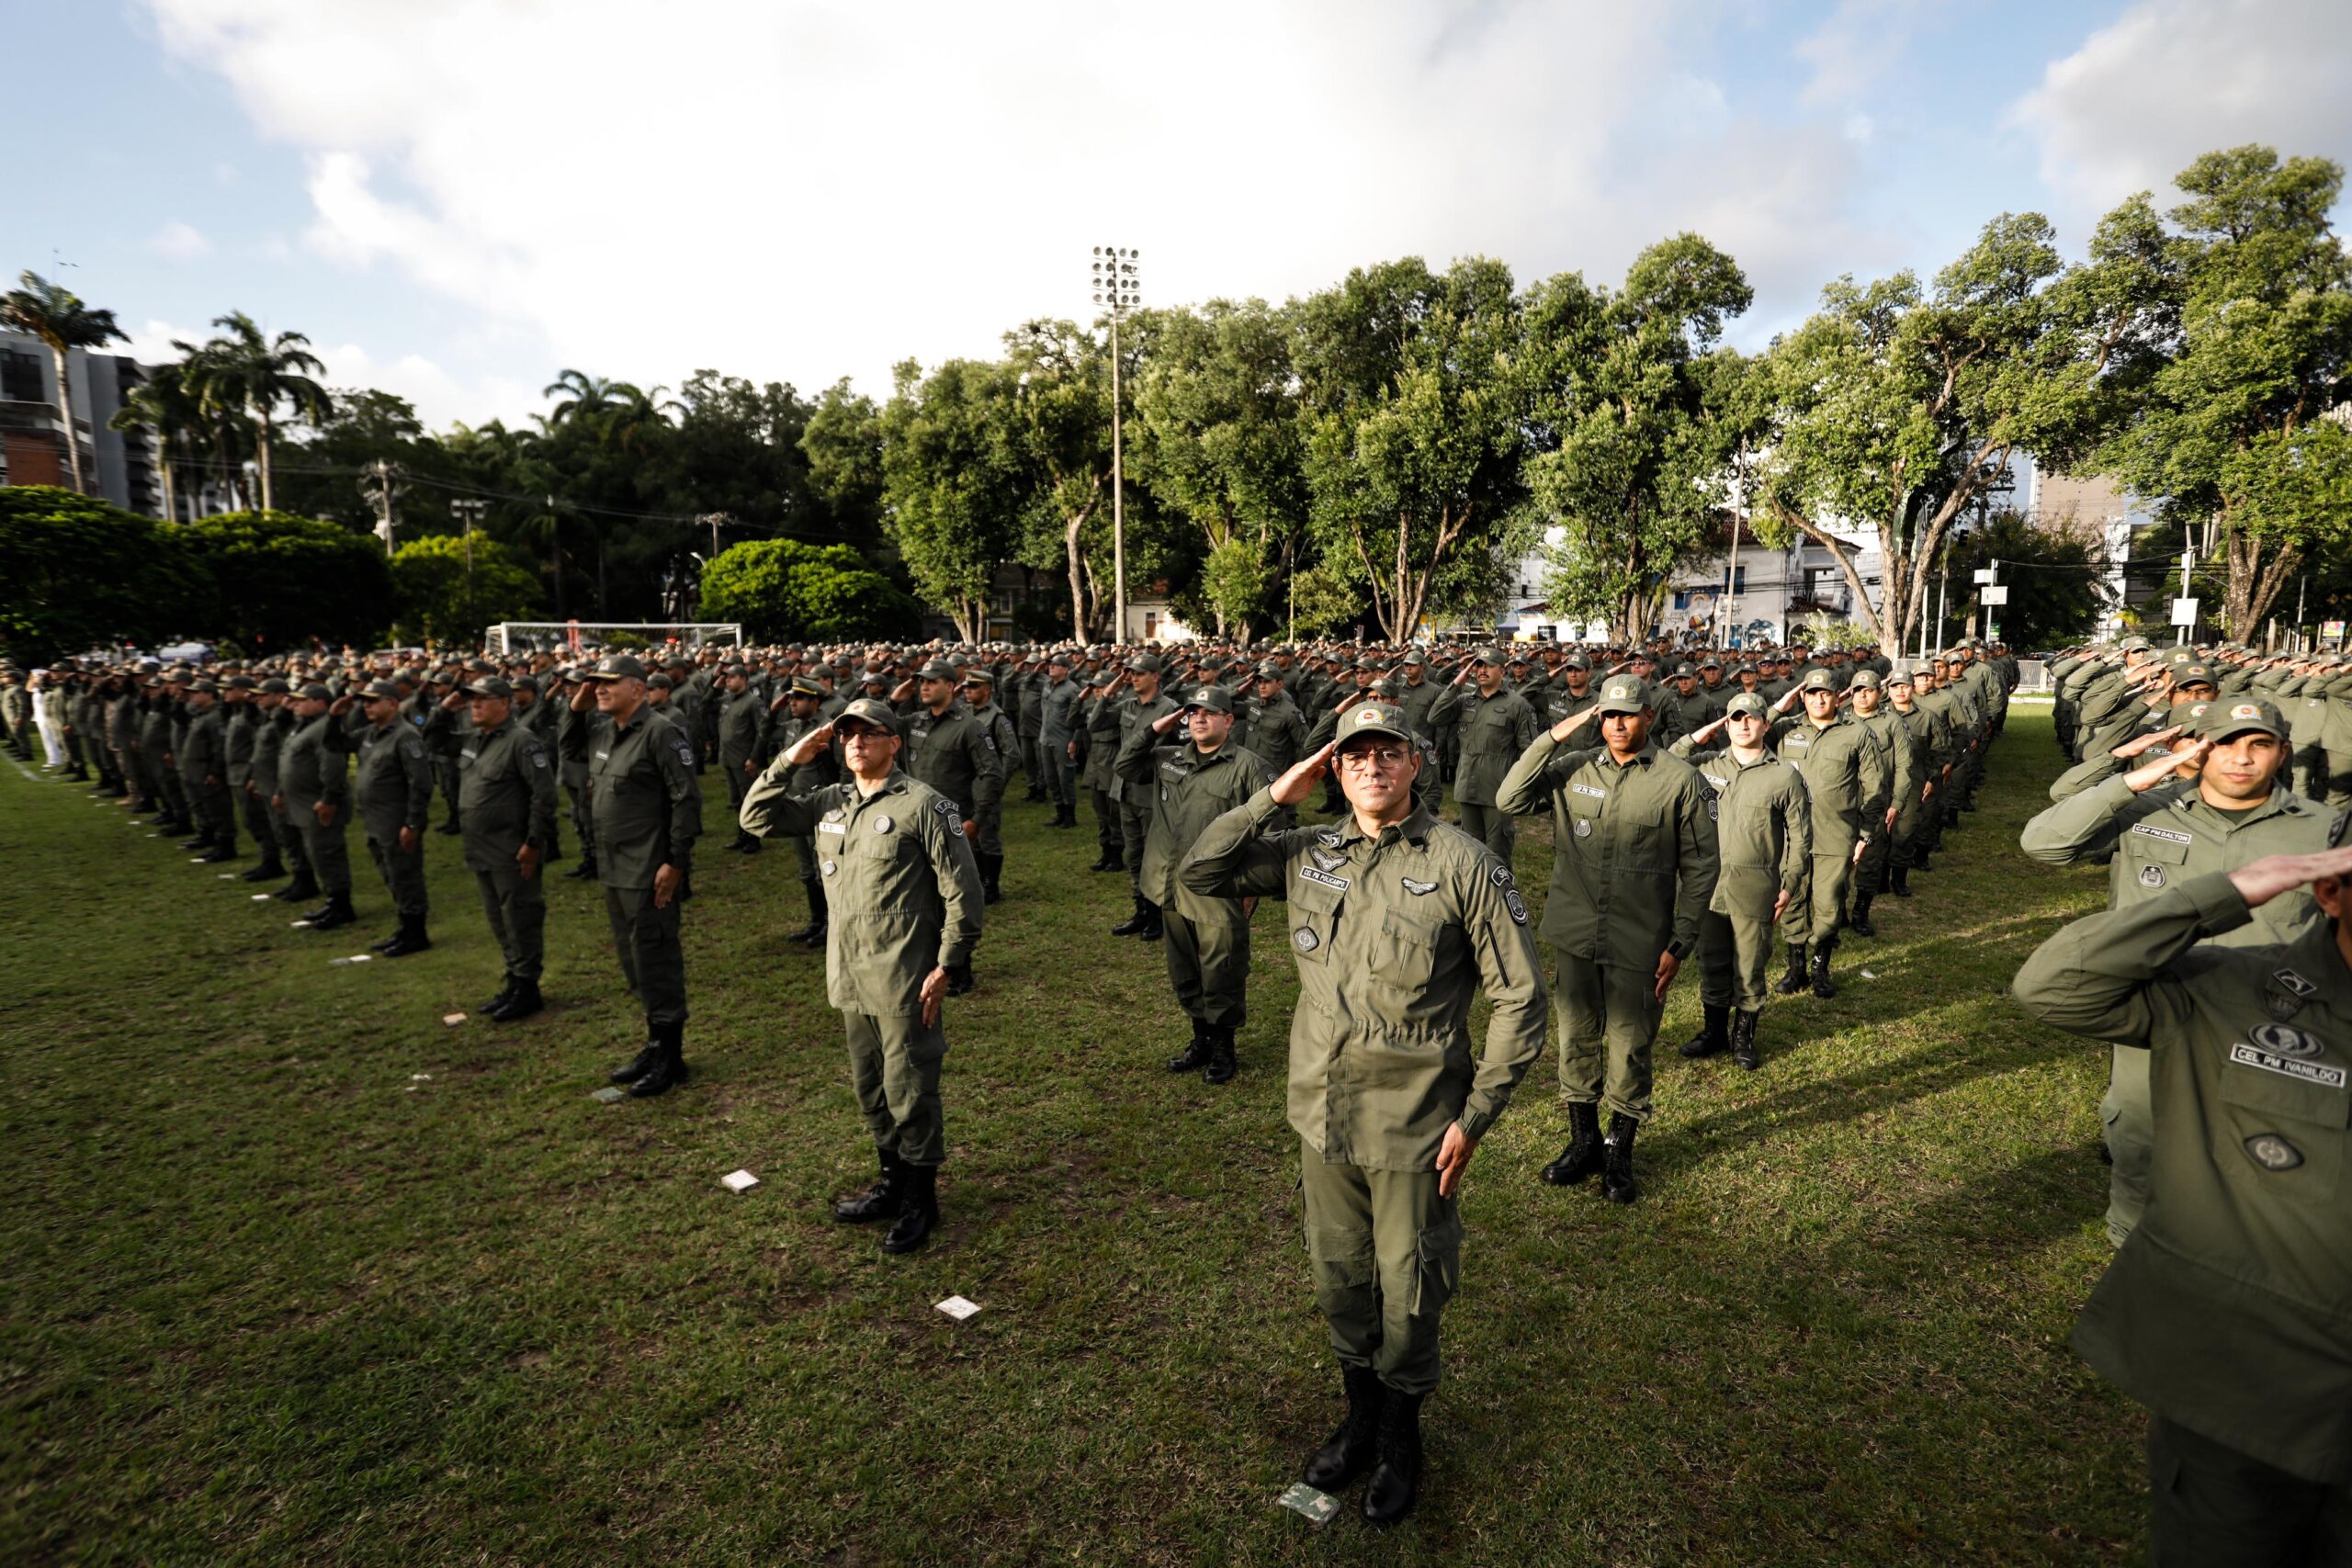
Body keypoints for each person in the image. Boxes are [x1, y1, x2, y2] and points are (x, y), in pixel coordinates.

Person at [1179, 699, 1545, 1525]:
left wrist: (1476, 1114)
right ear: (1333, 771)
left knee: (1410, 1285)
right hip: (1322, 1109)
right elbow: (1199, 871)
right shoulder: (1307, 853)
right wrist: (1279, 793)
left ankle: (1403, 1431)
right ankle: (1359, 1413)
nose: (1371, 766)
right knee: (1340, 1277)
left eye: (1387, 753)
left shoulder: (1464, 863)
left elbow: (1521, 999)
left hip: (1418, 1120)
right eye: (1353, 756)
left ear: (1416, 762)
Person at [2014, 847, 2352, 1567]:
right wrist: (2225, 891)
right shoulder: (2231, 992)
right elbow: (2055, 986)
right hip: (2244, 1386)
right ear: (2331, 890)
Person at [2020, 696, 2342, 1248]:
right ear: (2198, 750)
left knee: (2264, 1161)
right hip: (2159, 1007)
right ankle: (2134, 1253)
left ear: (2282, 753)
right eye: (2222, 744)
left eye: (2258, 744)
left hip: (2269, 1017)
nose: (2241, 759)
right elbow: (2044, 844)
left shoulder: (2325, 831)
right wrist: (2136, 780)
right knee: (2143, 1145)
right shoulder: (2152, 811)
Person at [741, 696, 983, 1255]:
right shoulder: (831, 801)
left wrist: (949, 962)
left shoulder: (926, 805)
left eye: (870, 734)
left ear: (894, 744)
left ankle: (922, 1197)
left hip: (904, 973)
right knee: (870, 1087)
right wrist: (793, 758)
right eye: (847, 734)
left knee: (910, 1087)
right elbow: (754, 819)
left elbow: (961, 890)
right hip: (849, 972)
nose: (856, 743)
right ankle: (892, 1184)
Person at [1497, 674, 1718, 1201]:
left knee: (1630, 1046)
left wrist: (1680, 942)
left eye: (1628, 714)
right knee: (1575, 1037)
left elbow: (1703, 868)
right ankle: (1584, 1141)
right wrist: (1554, 736)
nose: (1617, 724)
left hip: (1640, 940)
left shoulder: (1680, 781)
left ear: (1649, 716)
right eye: (1608, 715)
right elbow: (1509, 799)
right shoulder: (1576, 769)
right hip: (1576, 933)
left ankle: (1620, 1150)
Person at [1114, 682, 1272, 1084]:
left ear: (1228, 720)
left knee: (1222, 970)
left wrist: (1252, 885)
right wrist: (1154, 728)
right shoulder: (1169, 759)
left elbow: (1271, 828)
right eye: (1191, 711)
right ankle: (1200, 1039)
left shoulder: (1248, 766)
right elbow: (1125, 767)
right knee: (1184, 970)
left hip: (1219, 888)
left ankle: (1223, 1048)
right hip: (1168, 884)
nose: (1198, 717)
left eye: (1208, 711)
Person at [565, 655, 701, 1098]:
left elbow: (686, 800)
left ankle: (671, 1056)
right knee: (634, 960)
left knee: (656, 958)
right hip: (613, 866)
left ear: (639, 689)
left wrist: (675, 861)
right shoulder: (604, 730)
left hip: (648, 868)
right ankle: (655, 1042)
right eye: (596, 683)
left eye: (609, 682)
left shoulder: (661, 732)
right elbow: (568, 751)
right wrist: (576, 708)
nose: (599, 688)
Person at [1668, 694, 1812, 1069]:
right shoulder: (1706, 765)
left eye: (1752, 718)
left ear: (1766, 724)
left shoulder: (1784, 775)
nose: (1745, 724)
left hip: (1756, 885)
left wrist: (1789, 884)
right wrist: (1703, 734)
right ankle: (1714, 1031)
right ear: (1727, 725)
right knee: (1711, 961)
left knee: (1750, 964)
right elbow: (1669, 759)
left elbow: (1801, 838)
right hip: (1708, 887)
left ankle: (1743, 1036)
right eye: (1736, 718)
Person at [441, 675, 559, 1021]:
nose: (473, 705)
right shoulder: (476, 739)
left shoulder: (522, 741)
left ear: (504, 703)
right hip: (482, 848)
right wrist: (445, 708)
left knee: (519, 916)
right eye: (470, 700)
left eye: (482, 699)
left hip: (512, 848)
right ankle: (515, 977)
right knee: (499, 919)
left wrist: (534, 842)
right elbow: (433, 739)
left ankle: (528, 987)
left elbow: (544, 796)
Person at [1768, 669, 1872, 998]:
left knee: (1828, 904)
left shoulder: (1856, 733)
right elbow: (1751, 731)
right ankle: (1796, 968)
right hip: (1789, 835)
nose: (1818, 699)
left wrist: (1865, 833)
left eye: (1825, 693)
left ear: (1837, 696)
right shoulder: (1786, 728)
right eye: (1811, 693)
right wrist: (1778, 707)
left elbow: (1874, 787)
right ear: (1802, 696)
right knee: (1793, 899)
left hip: (1835, 834)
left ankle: (1819, 967)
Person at [346, 679, 435, 957]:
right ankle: (404, 927)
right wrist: (336, 715)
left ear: (393, 703)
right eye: (365, 701)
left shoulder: (405, 736)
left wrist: (413, 822)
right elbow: (335, 742)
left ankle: (415, 933)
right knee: (392, 876)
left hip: (397, 820)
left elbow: (420, 782)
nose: (367, 706)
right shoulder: (372, 732)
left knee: (405, 875)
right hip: (376, 819)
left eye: (373, 701)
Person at [1426, 646, 1540, 861]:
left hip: (1498, 789)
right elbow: (1434, 717)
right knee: (1471, 852)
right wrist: (1458, 681)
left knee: (1498, 853)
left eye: (1489, 666)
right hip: (1467, 786)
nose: (1482, 670)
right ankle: (1476, 893)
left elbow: (1529, 751)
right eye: (1478, 666)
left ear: (1503, 671)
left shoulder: (1517, 705)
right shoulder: (1464, 701)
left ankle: (1502, 893)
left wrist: (1519, 787)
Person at [764, 676, 842, 945]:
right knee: (806, 869)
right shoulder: (792, 726)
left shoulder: (827, 729)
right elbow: (766, 734)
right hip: (795, 805)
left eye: (798, 698)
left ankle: (832, 925)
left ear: (814, 701)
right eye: (791, 698)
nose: (792, 703)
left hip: (821, 807)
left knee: (826, 868)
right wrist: (774, 710)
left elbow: (842, 769)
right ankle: (816, 921)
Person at [277, 682, 356, 932]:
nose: (296, 703)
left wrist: (330, 798)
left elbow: (332, 767)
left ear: (321, 704)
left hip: (319, 802)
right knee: (317, 853)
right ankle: (332, 900)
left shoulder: (324, 729)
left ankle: (342, 906)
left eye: (303, 700)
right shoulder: (304, 726)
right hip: (303, 802)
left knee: (328, 853)